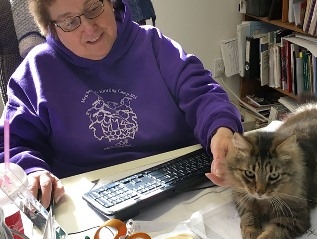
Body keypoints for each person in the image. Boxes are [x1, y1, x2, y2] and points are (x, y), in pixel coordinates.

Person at [0, 0, 243, 209]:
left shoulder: (154, 45)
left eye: (94, 7)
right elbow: (11, 143)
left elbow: (203, 93)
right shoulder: (36, 71)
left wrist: (220, 129)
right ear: (51, 29)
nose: (89, 27)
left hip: (182, 189)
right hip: (84, 205)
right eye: (70, 22)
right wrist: (31, 171)